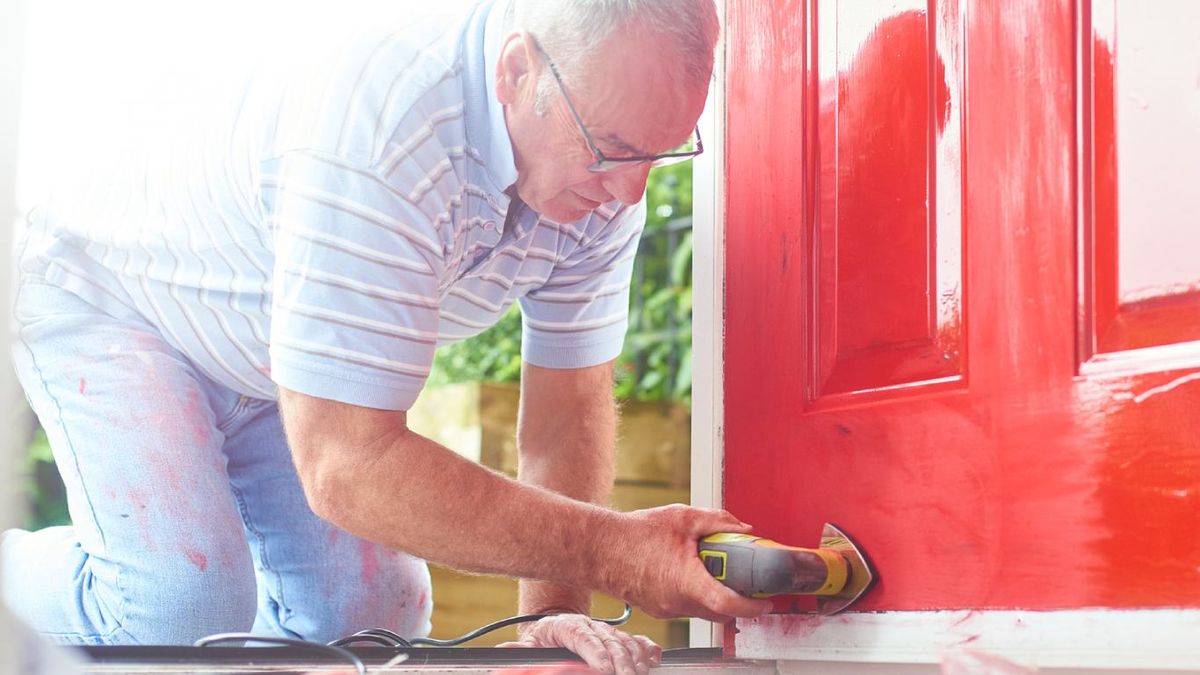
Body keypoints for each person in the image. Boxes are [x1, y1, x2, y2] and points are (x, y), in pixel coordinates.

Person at [2, 0, 771, 672]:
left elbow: (567, 411)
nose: (629, 191)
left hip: (274, 342)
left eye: (661, 151)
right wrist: (616, 550)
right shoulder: (387, 127)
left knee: (372, 618)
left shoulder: (602, 179)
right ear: (517, 72)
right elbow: (347, 463)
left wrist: (550, 624)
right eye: (610, 147)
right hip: (113, 293)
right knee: (181, 606)